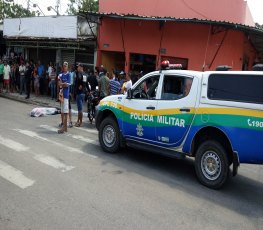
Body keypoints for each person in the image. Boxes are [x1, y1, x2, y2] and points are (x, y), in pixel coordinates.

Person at [57, 61, 71, 134]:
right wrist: (63, 84)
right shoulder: (61, 74)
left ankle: (64, 128)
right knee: (62, 111)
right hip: (61, 95)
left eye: (66, 66)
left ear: (67, 67)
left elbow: (67, 85)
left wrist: (62, 84)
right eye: (64, 66)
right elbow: (59, 84)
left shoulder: (69, 74)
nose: (64, 67)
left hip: (65, 95)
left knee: (65, 112)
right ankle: (64, 126)